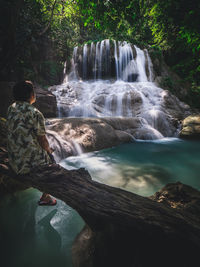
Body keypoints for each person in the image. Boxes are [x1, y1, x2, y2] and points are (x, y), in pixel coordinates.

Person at [7, 80, 57, 205]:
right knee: (53, 163)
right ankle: (46, 196)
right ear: (31, 95)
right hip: (29, 165)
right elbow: (43, 140)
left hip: (14, 159)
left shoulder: (11, 108)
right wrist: (49, 151)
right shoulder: (35, 113)